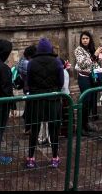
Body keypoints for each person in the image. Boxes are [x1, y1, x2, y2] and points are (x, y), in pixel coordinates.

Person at [24, 38, 64, 169]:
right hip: (53, 100)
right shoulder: (57, 62)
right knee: (53, 129)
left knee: (34, 130)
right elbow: (61, 82)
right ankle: (54, 158)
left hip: (36, 100)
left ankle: (31, 158)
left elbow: (29, 82)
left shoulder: (32, 63)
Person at [75, 31, 102, 135]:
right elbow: (83, 64)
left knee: (91, 101)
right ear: (81, 40)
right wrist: (94, 55)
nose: (85, 40)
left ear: (90, 39)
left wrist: (100, 55)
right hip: (84, 78)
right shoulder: (79, 50)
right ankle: (80, 127)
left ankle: (86, 123)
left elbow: (96, 63)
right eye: (83, 39)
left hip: (93, 77)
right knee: (85, 101)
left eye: (87, 38)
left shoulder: (91, 48)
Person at [17, 45, 37, 135]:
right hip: (30, 88)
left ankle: (28, 127)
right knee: (30, 108)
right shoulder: (27, 63)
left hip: (26, 87)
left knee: (29, 107)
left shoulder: (22, 60)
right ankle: (28, 128)